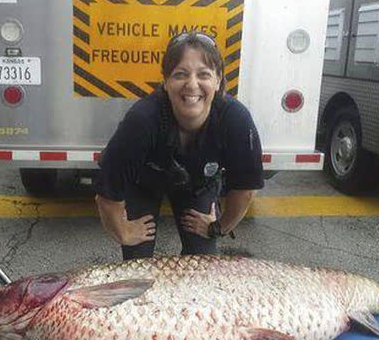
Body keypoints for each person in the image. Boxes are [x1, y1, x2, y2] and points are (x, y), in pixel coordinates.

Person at [94, 32, 264, 260]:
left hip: (197, 185)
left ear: (218, 81)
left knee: (202, 260)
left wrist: (218, 227)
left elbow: (245, 190)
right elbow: (107, 196)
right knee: (137, 259)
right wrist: (123, 232)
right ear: (165, 82)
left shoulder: (235, 119)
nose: (192, 85)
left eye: (204, 74)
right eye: (180, 74)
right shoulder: (142, 120)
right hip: (145, 183)